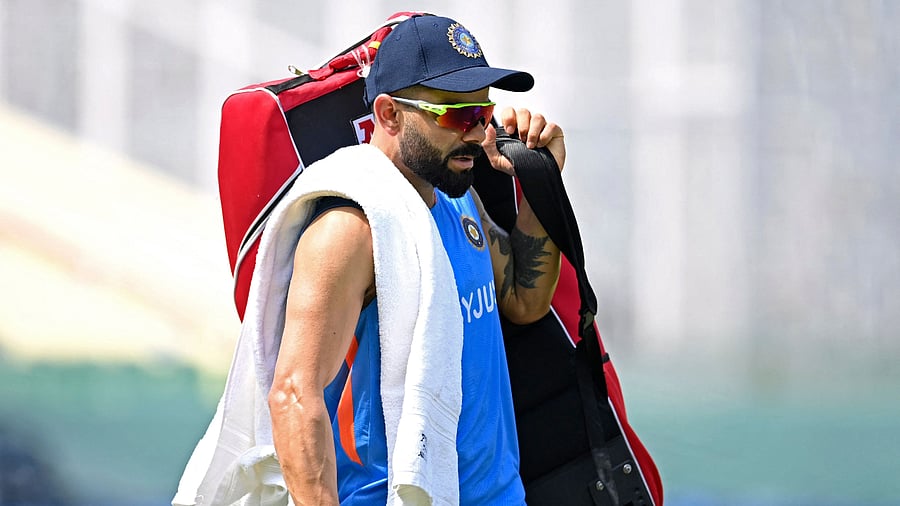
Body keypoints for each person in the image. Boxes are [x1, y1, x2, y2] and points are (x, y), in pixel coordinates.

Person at [264, 14, 566, 505]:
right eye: (458, 116)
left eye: (483, 112)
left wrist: (539, 181)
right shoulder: (352, 230)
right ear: (389, 114)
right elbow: (295, 395)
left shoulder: (456, 196)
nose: (478, 133)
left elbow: (523, 301)